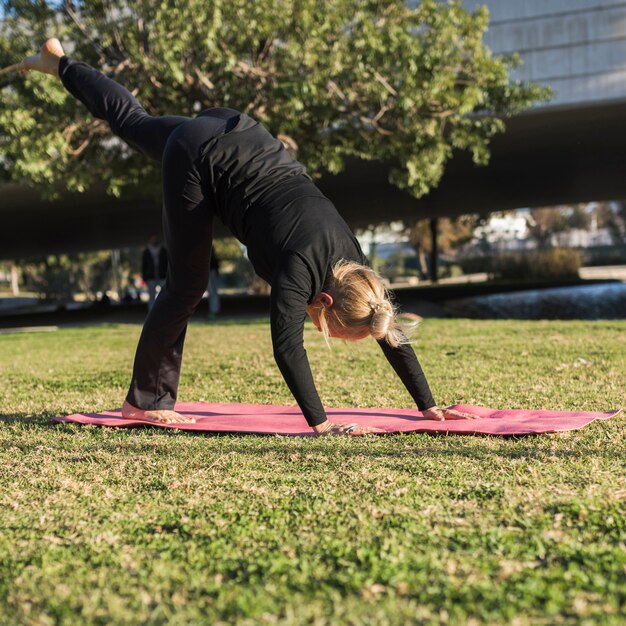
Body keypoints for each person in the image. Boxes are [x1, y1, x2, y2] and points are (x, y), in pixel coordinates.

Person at [18, 39, 480, 436]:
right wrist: (320, 423)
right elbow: (287, 348)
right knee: (186, 285)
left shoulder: (358, 270)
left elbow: (387, 327)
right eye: (339, 334)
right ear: (326, 303)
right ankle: (147, 400)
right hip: (201, 158)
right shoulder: (301, 269)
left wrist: (427, 404)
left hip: (236, 129)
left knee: (134, 122)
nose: (335, 339)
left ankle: (59, 62)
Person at [141, 234, 168, 310]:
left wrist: (167, 275)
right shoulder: (146, 252)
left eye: (155, 238)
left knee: (165, 295)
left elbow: (167, 263)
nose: (154, 240)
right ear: (150, 240)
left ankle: (165, 311)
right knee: (151, 297)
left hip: (162, 276)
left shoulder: (163, 250)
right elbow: (144, 265)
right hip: (151, 277)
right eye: (152, 239)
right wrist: (144, 277)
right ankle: (152, 313)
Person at [207, 252, 220, 320]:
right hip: (211, 270)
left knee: (212, 292)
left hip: (211, 270)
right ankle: (214, 311)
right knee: (213, 292)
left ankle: (214, 311)